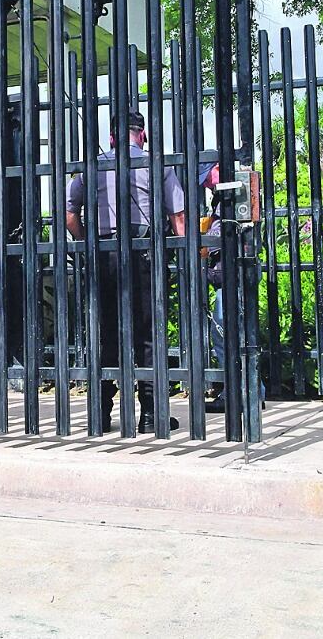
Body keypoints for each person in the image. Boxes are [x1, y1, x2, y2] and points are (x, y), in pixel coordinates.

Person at [66, 111, 186, 434]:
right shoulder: (157, 164)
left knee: (106, 333)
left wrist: (89, 243)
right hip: (143, 253)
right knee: (147, 334)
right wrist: (186, 255)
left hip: (104, 255)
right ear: (142, 135)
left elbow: (69, 214)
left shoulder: (91, 167)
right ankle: (150, 415)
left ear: (111, 138)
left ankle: (101, 414)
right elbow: (178, 218)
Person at [198, 161, 265, 413]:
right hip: (231, 272)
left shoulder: (235, 192)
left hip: (233, 272)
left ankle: (237, 392)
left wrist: (205, 241)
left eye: (208, 177)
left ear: (219, 168)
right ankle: (252, 391)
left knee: (226, 332)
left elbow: (229, 234)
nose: (207, 184)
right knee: (236, 333)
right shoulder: (226, 195)